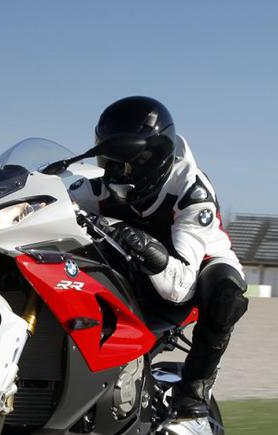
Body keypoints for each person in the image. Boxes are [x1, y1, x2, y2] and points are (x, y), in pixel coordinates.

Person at [90, 96, 249, 418]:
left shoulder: (191, 191)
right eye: (109, 158)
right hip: (132, 259)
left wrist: (145, 247)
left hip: (196, 267)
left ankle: (195, 387)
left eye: (127, 161)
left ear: (153, 157)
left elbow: (179, 288)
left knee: (226, 293)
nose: (117, 170)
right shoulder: (98, 183)